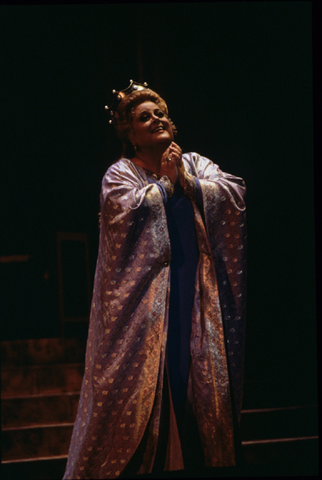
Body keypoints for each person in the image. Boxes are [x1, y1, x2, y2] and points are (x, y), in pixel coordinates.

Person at [63, 80, 247, 479]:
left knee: (194, 384)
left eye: (160, 113)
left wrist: (186, 182)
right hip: (146, 308)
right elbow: (123, 213)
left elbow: (234, 193)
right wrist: (163, 185)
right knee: (155, 384)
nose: (156, 119)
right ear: (130, 134)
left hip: (194, 295)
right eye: (144, 117)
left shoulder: (195, 165)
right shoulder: (121, 174)